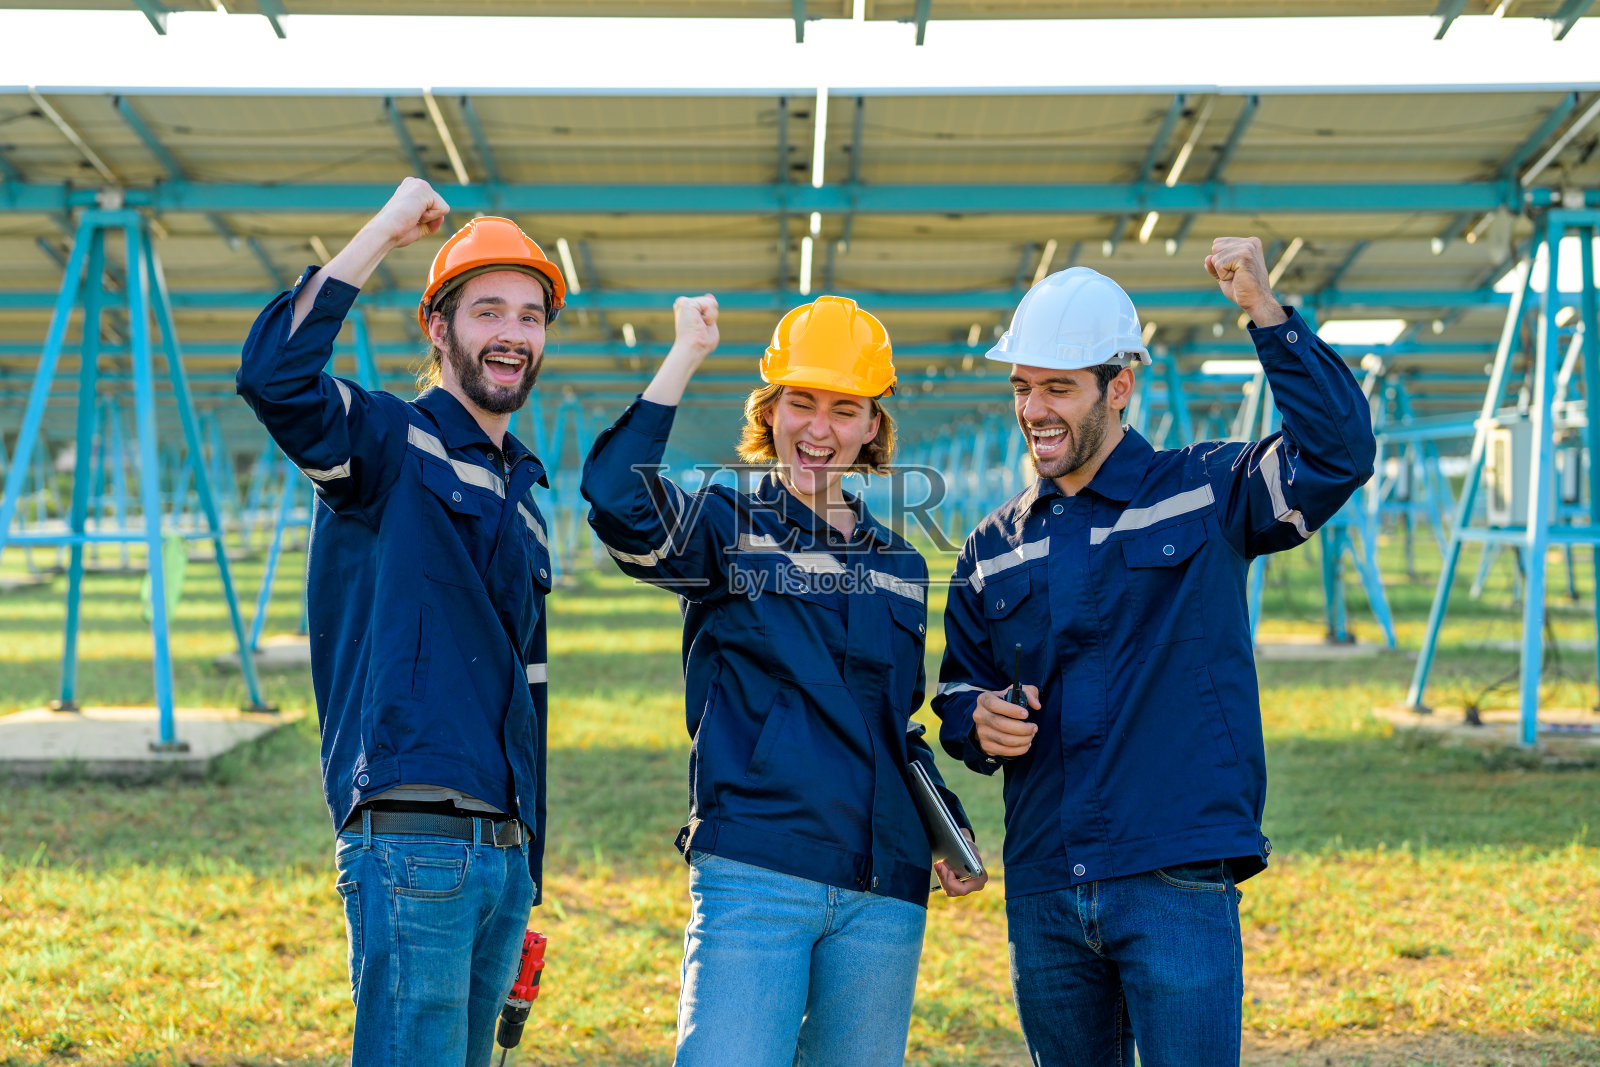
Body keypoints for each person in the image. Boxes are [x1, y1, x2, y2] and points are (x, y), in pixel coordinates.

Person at [932, 238, 1376, 1067]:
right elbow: (960, 687)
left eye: (1059, 388)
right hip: (1046, 880)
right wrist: (976, 719)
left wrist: (1266, 314)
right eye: (1023, 388)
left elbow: (1337, 455)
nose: (1034, 410)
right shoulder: (992, 546)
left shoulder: (1208, 492)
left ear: (1120, 385)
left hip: (1173, 872)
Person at [580, 293, 988, 1066]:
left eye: (844, 408)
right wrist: (686, 353)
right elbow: (614, 497)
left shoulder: (901, 565)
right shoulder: (725, 528)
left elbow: (893, 724)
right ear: (769, 411)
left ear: (873, 425)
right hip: (758, 872)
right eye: (800, 402)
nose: (818, 428)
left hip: (883, 889)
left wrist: (941, 817)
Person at [236, 178, 562, 1066]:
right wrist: (385, 229)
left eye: (530, 317)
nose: (511, 334)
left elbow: (527, 685)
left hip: (502, 849)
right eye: (487, 310)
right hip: (414, 830)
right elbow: (273, 375)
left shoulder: (527, 495)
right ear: (438, 326)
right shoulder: (384, 443)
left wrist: (530, 855)